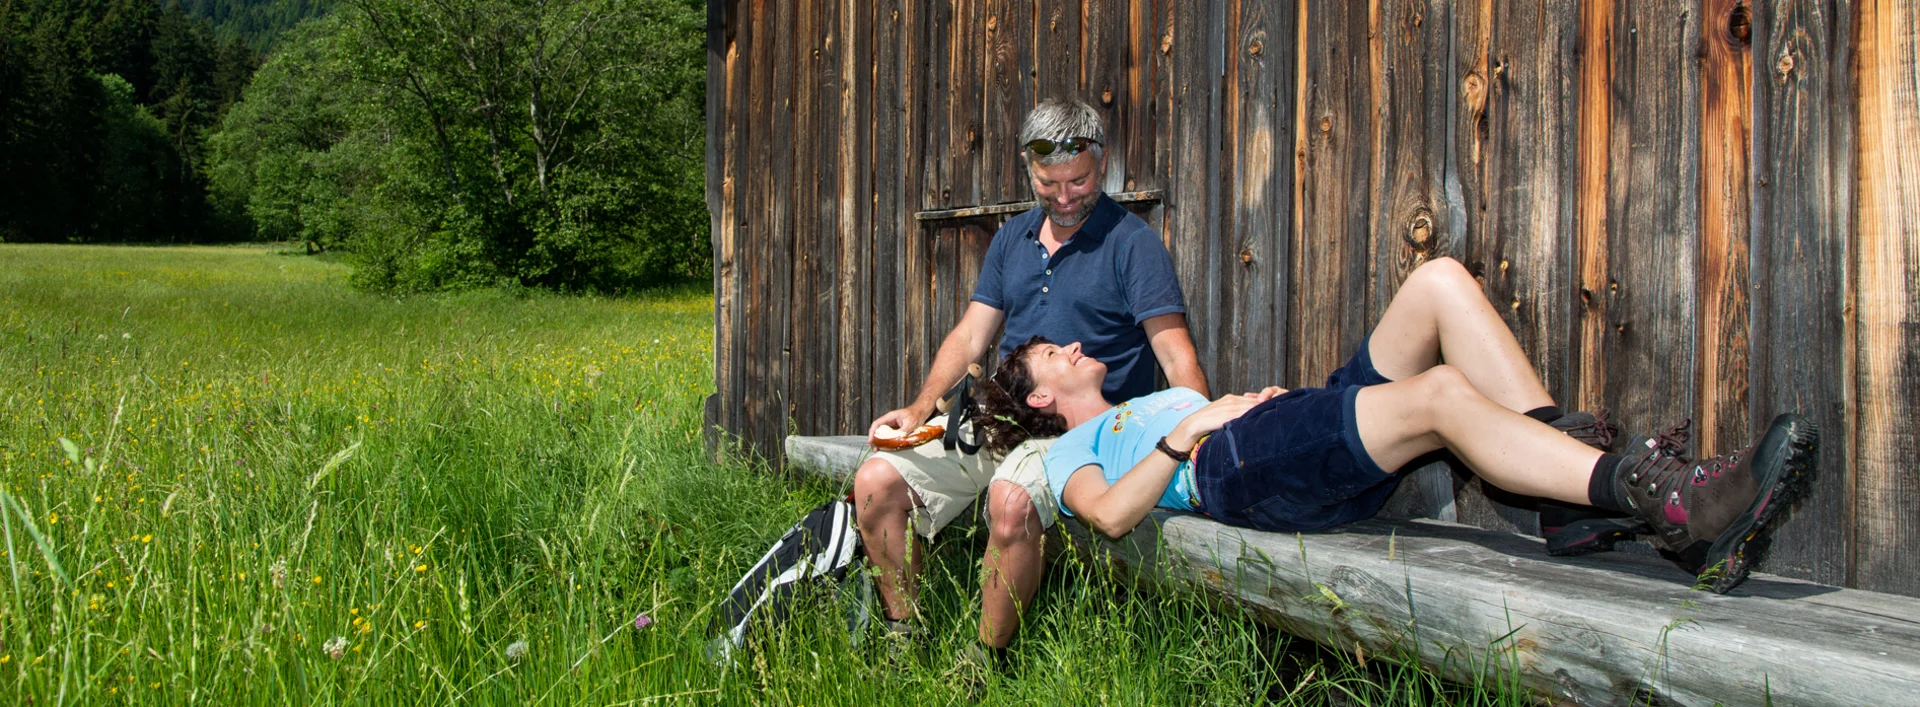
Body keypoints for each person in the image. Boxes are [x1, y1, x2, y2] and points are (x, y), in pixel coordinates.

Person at [973, 258, 1818, 595]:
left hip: (1275, 428)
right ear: (1041, 398)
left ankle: (1567, 502)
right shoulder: (1071, 448)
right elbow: (1112, 516)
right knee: (1442, 393)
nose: (1077, 344)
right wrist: (1192, 432)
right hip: (1237, 469)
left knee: (1440, 283)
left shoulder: (1137, 398)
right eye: (1055, 351)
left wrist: (1232, 405)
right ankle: (1664, 500)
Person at [852, 99, 1210, 659]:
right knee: (875, 479)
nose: (1065, 197)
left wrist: (1200, 432)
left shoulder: (1132, 244)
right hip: (997, 417)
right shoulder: (1011, 240)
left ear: (1104, 162)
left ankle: (983, 660)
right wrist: (923, 406)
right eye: (1049, 184)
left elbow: (1175, 355)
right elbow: (972, 336)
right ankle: (904, 629)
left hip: (1077, 433)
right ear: (1028, 169)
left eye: (1080, 181)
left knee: (1012, 502)